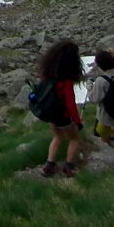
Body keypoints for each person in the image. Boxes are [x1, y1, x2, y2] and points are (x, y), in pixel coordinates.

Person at [36, 39, 85, 177]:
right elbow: (70, 104)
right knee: (74, 138)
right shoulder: (66, 81)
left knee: (58, 137)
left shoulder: (48, 75)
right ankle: (68, 166)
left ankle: (49, 165)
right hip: (63, 116)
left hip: (52, 114)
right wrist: (77, 122)